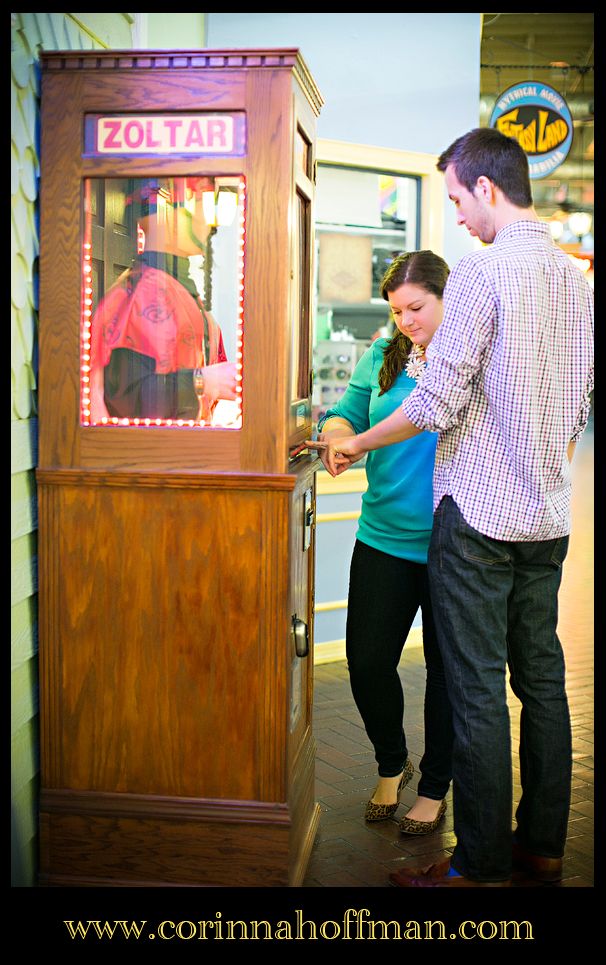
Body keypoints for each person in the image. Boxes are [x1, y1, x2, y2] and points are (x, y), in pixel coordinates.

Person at [317, 128, 594, 887]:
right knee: (541, 684)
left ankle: (476, 867)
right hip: (547, 517)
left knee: (474, 690)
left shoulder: (480, 272)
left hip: (475, 519)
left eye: (456, 198)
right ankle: (539, 850)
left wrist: (359, 440)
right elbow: (578, 403)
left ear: (485, 187)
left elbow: (435, 403)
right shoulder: (580, 281)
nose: (459, 216)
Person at [314, 251, 454, 833]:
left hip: (455, 544)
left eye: (416, 307)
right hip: (383, 536)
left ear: (449, 299)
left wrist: (359, 441)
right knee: (368, 661)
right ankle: (390, 764)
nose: (406, 321)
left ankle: (435, 787)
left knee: (449, 673)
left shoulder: (468, 359)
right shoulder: (383, 354)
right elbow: (342, 416)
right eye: (397, 310)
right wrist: (337, 437)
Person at [89, 177, 237, 424]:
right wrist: (203, 381)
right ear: (173, 209)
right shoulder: (136, 295)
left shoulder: (184, 298)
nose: (211, 225)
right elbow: (125, 398)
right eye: (204, 204)